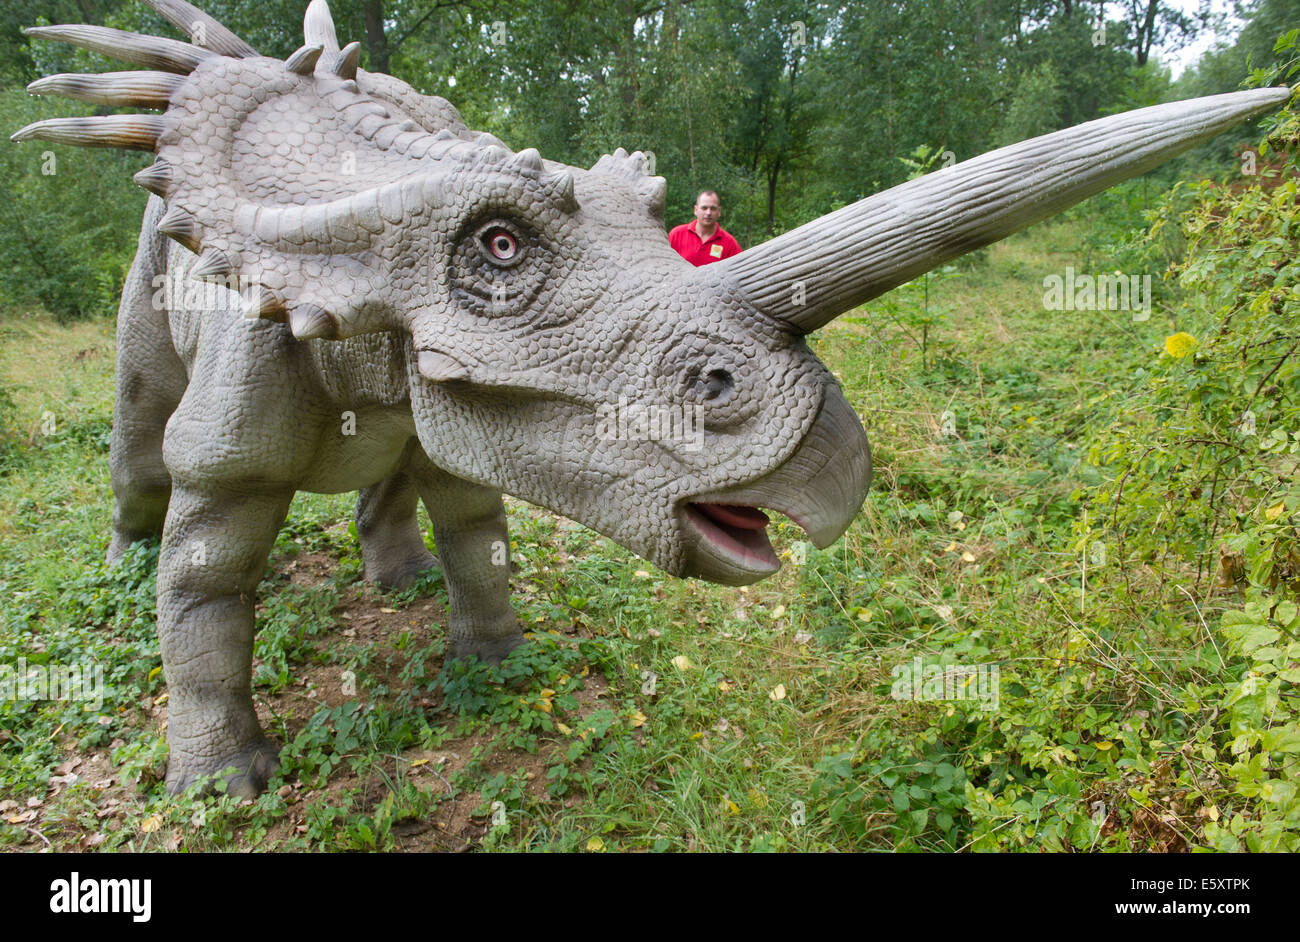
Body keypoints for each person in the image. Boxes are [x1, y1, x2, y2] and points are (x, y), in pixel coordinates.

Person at [668, 191, 742, 266]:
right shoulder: (677, 234)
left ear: (719, 212)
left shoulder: (729, 243)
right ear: (696, 210)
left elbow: (740, 270)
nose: (708, 213)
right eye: (704, 208)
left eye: (713, 208)